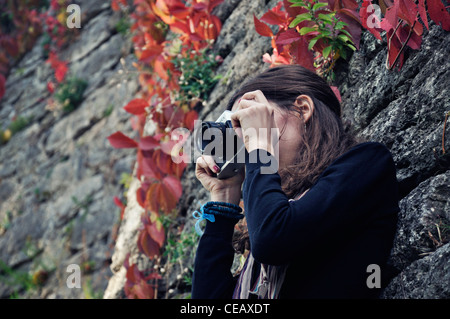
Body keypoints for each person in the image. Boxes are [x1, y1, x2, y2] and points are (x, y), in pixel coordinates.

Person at [191, 65, 399, 299]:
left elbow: (274, 239)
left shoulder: (366, 163)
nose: (245, 139)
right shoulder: (268, 221)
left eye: (248, 120)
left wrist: (260, 147)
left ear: (302, 109)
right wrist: (223, 202)